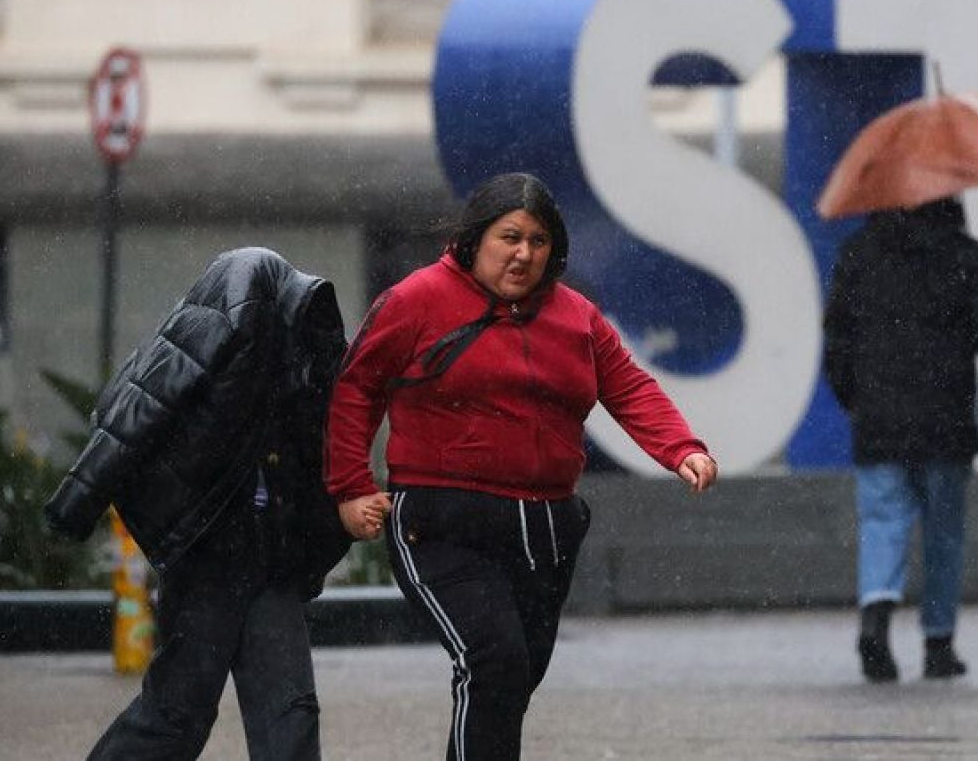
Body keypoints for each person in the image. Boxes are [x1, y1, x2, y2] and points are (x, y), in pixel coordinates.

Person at [325, 172, 718, 761]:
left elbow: (628, 386)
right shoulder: (416, 299)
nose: (524, 254)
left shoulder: (577, 316)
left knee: (510, 681)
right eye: (509, 237)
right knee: (494, 662)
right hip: (440, 523)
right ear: (475, 239)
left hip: (545, 528)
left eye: (538, 241)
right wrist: (351, 486)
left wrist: (681, 447)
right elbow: (356, 388)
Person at [45, 247, 353, 761]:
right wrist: (77, 498)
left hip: (268, 553)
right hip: (210, 552)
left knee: (287, 713)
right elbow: (148, 400)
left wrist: (315, 544)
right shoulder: (248, 285)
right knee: (178, 713)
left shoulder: (299, 352)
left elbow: (313, 458)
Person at [822, 198, 978, 683]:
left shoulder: (858, 253)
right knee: (944, 531)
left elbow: (837, 339)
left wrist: (856, 397)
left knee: (882, 521)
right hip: (946, 415)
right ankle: (939, 643)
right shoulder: (966, 256)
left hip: (879, 418)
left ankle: (875, 618)